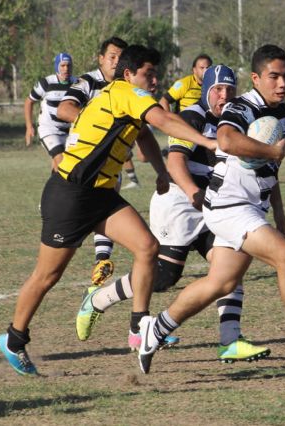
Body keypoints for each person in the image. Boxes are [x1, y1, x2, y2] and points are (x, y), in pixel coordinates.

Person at [0, 45, 217, 376]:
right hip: (71, 194)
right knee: (47, 276)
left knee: (147, 247)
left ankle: (138, 326)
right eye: (149, 73)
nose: (155, 80)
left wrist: (159, 171)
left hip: (99, 194)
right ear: (129, 75)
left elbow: (143, 134)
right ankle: (13, 339)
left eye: (156, 74)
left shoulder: (126, 96)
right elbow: (164, 119)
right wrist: (210, 143)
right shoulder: (127, 93)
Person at [136, 45, 285, 374]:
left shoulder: (284, 114)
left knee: (220, 283)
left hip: (252, 206)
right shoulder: (241, 107)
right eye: (273, 77)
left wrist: (279, 210)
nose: (281, 83)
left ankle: (154, 331)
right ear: (256, 78)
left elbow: (271, 166)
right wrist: (270, 150)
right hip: (227, 205)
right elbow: (226, 141)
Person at [75, 64, 270, 362]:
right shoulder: (192, 117)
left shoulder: (235, 121)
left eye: (230, 90)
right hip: (179, 204)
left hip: (213, 206)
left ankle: (230, 340)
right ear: (206, 91)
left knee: (230, 267)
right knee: (165, 276)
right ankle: (98, 299)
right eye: (218, 89)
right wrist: (194, 192)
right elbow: (175, 163)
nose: (224, 95)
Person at [56, 36, 128, 288]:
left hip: (109, 165)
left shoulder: (124, 88)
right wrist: (96, 130)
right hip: (79, 163)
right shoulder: (87, 81)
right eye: (112, 56)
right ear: (101, 58)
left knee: (107, 201)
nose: (116, 62)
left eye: (121, 58)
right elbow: (64, 109)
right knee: (74, 219)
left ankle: (102, 259)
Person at [24, 52, 78, 171]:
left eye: (68, 66)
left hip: (70, 131)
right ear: (57, 66)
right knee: (62, 162)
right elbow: (29, 102)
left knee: (63, 165)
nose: (66, 69)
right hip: (49, 129)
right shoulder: (46, 83)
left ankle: (53, 189)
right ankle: (66, 189)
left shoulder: (78, 84)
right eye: (63, 65)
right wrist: (29, 126)